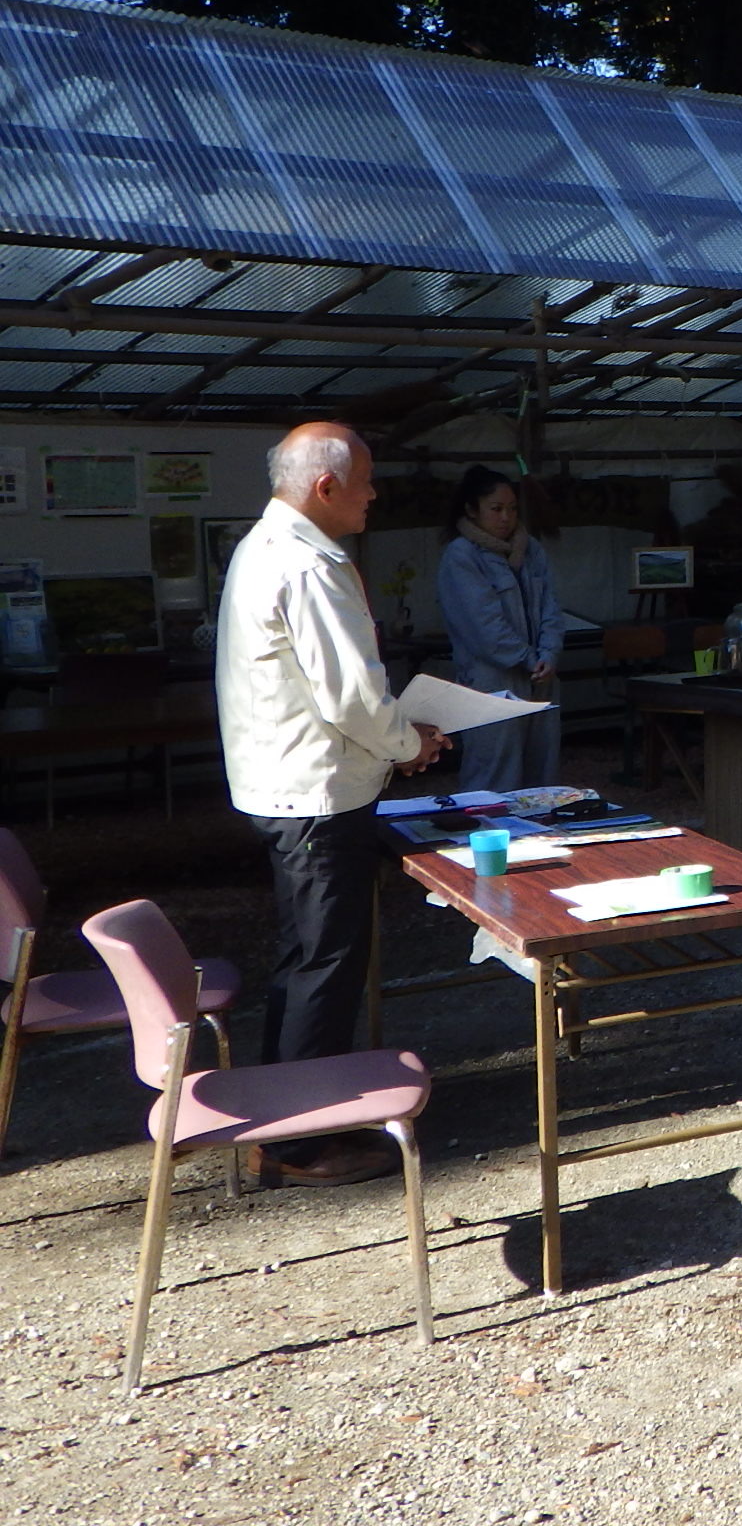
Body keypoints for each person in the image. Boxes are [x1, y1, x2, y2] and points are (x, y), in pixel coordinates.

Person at [215, 422, 446, 1186]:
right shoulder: (309, 562)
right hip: (315, 790)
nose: (374, 494)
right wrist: (408, 743)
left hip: (290, 782)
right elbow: (349, 693)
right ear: (327, 487)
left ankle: (291, 1113)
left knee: (309, 956)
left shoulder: (263, 546)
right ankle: (301, 1141)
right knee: (324, 959)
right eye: (366, 481)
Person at [435, 466, 565, 792]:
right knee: (494, 772)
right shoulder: (461, 556)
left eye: (512, 508)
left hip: (540, 676)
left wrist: (549, 654)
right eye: (496, 509)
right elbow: (483, 626)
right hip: (491, 680)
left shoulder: (531, 549)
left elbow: (551, 607)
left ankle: (539, 825)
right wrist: (529, 658)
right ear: (471, 510)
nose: (506, 517)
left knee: (541, 770)